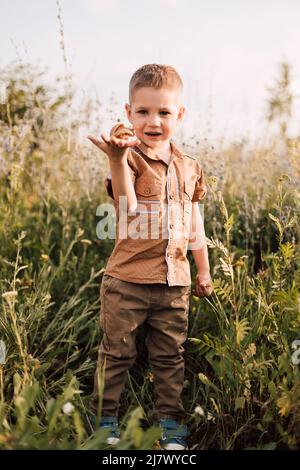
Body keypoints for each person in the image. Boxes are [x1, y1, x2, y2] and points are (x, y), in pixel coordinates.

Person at [87, 64, 213, 450]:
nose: (153, 121)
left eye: (163, 112)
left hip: (175, 283)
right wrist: (114, 159)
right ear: (128, 113)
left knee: (170, 357)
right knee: (117, 352)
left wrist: (203, 270)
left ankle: (170, 427)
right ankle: (105, 422)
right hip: (127, 282)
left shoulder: (189, 168)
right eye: (142, 112)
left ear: (180, 115)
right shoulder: (129, 157)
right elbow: (125, 209)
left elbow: (195, 225)